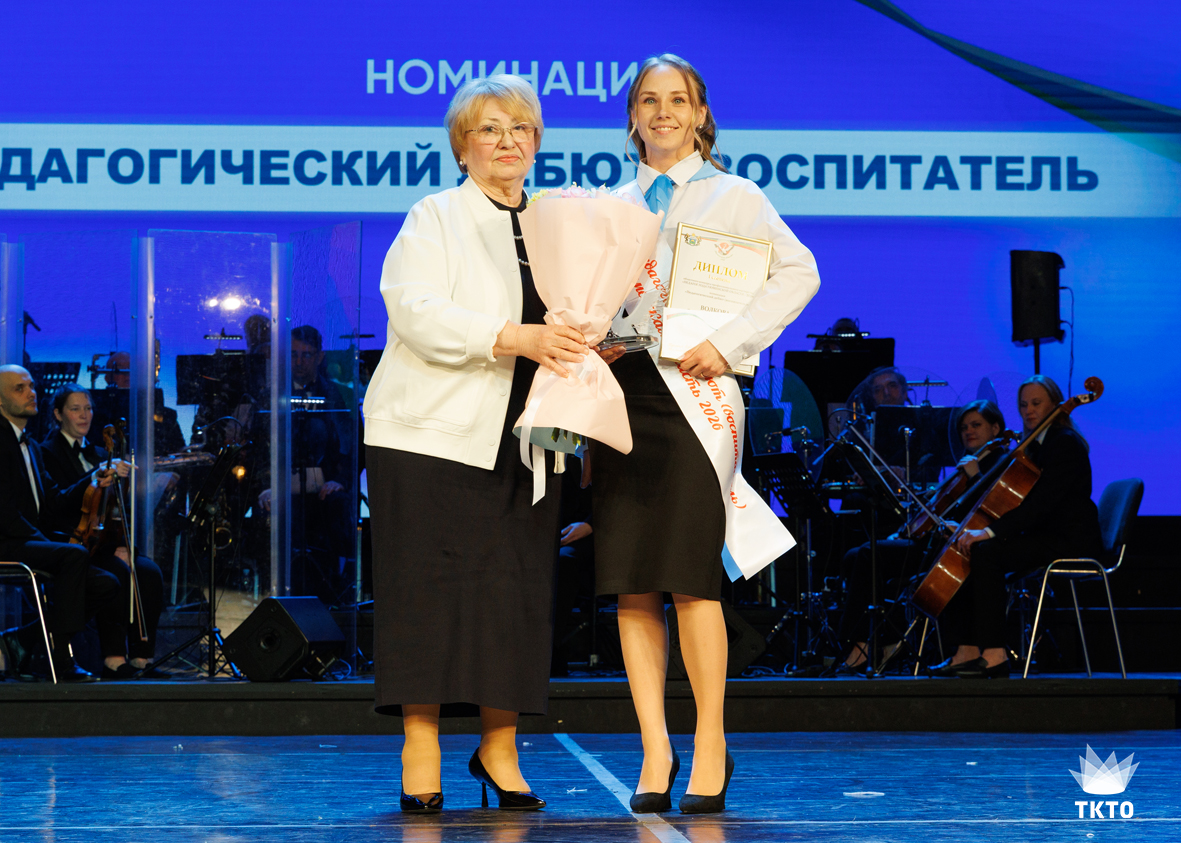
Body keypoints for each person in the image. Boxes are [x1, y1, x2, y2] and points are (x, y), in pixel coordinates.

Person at [593, 54, 820, 814]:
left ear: (699, 115)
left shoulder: (736, 195)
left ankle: (712, 742)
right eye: (648, 100)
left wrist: (730, 342)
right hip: (625, 397)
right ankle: (655, 748)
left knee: (691, 578)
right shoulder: (608, 205)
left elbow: (799, 273)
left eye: (677, 100)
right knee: (633, 584)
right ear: (633, 116)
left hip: (698, 398)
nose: (663, 112)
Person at [363, 74, 588, 813]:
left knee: (512, 596)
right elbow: (414, 309)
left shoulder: (559, 225)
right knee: (423, 595)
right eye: (489, 129)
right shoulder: (434, 215)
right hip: (427, 433)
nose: (506, 141)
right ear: (462, 147)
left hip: (528, 435)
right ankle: (420, 743)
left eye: (520, 128)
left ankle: (500, 748)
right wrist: (511, 336)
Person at [937, 376, 1103, 678]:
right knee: (972, 549)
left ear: (1055, 404)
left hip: (1068, 539)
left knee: (986, 552)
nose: (1028, 411)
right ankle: (966, 650)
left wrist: (989, 532)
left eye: (1036, 403)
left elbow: (1040, 506)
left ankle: (995, 654)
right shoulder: (1037, 446)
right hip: (1045, 535)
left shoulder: (1063, 443)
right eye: (1024, 405)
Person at [837, 399, 1006, 672]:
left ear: (995, 428)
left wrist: (975, 477)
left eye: (976, 425)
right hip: (934, 539)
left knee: (869, 554)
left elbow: (993, 508)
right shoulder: (968, 463)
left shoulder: (999, 462)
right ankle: (886, 641)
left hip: (953, 546)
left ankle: (862, 647)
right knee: (853, 556)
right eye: (964, 427)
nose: (968, 432)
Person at [0, 366, 120, 682]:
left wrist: (92, 478)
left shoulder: (32, 446)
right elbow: (5, 513)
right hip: (6, 541)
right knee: (73, 555)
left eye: (31, 386)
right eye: (19, 388)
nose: (31, 393)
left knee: (107, 583)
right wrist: (47, 542)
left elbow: (54, 500)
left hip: (27, 538)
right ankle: (62, 661)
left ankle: (22, 639)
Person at [39, 384, 166, 679]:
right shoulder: (45, 453)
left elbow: (115, 511)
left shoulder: (99, 452)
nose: (84, 415)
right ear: (58, 414)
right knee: (116, 574)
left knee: (149, 573)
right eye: (75, 409)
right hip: (72, 542)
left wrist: (122, 544)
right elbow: (57, 504)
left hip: (105, 541)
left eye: (88, 408)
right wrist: (95, 476)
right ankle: (113, 658)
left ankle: (141, 658)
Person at [258, 325, 354, 601]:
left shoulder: (337, 396)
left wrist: (340, 481)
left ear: (320, 357)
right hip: (280, 490)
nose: (299, 362)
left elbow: (352, 447)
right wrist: (267, 485)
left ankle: (334, 594)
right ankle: (267, 593)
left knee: (337, 507)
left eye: (306, 355)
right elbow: (259, 449)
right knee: (264, 509)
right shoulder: (270, 395)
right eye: (293, 355)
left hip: (324, 493)